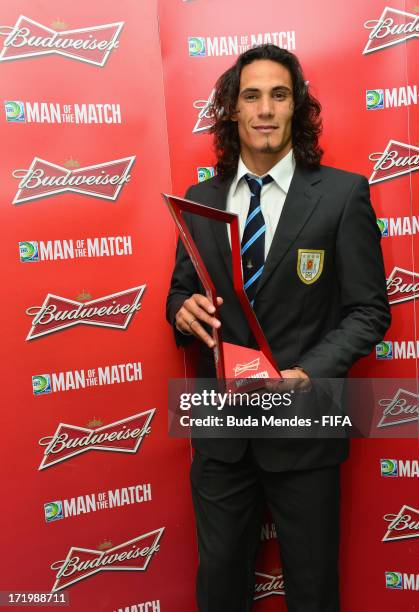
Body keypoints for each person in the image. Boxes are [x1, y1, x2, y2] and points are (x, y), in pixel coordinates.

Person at [166, 44, 390, 612]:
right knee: (220, 590)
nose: (265, 108)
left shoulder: (342, 195)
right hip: (222, 438)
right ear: (232, 111)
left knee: (313, 592)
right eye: (251, 95)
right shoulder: (199, 200)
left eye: (280, 95)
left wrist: (305, 374)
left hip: (306, 429)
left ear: (297, 109)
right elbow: (179, 293)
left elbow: (370, 312)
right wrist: (181, 313)